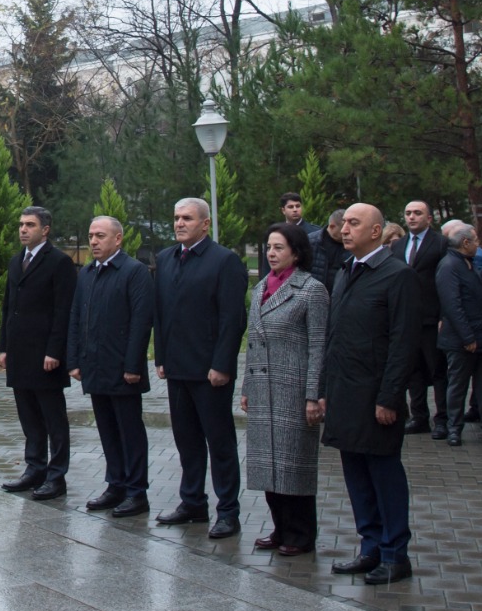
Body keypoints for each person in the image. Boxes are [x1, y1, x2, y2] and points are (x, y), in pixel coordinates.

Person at [322, 203, 420, 585]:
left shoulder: (397, 276)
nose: (344, 229)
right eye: (344, 222)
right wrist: (324, 390)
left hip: (376, 396)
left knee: (384, 475)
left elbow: (403, 343)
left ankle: (396, 554)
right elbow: (335, 336)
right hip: (346, 393)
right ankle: (371, 547)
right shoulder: (347, 271)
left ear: (376, 232)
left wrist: (390, 397)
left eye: (353, 223)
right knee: (357, 476)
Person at [154, 197, 248, 538]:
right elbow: (161, 313)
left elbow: (233, 319)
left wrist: (222, 364)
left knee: (220, 443)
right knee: (187, 441)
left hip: (210, 373)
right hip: (177, 368)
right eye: (176, 218)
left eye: (187, 218)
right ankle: (192, 501)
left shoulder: (225, 262)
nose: (179, 223)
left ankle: (228, 511)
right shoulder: (165, 259)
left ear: (205, 224)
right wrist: (161, 357)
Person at [242, 223, 329, 555]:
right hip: (264, 389)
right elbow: (252, 344)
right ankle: (280, 527)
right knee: (267, 465)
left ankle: (301, 534)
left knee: (294, 466)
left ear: (296, 251)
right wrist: (248, 387)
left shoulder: (311, 290)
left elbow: (318, 346)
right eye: (268, 247)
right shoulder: (261, 287)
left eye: (279, 247)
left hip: (294, 390)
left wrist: (313, 395)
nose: (271, 253)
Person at [69, 216, 154, 518]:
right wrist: (74, 359)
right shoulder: (87, 274)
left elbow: (141, 322)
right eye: (91, 235)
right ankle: (115, 483)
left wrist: (133, 366)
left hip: (123, 369)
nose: (93, 241)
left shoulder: (134, 272)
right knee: (106, 429)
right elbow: (77, 318)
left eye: (100, 236)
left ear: (117, 239)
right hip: (95, 366)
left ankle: (136, 491)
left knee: (129, 431)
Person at [0, 206, 78, 501]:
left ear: (45, 230)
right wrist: (3, 346)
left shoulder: (59, 262)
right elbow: (8, 307)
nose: (23, 229)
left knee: (53, 419)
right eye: (21, 224)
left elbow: (63, 310)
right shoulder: (16, 261)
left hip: (46, 355)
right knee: (29, 417)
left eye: (29, 225)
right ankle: (35, 468)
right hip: (20, 353)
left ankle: (56, 476)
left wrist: (56, 350)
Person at [435, 223, 482, 446]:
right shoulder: (449, 265)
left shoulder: (468, 264)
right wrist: (467, 337)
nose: (478, 244)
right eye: (475, 240)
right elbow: (452, 304)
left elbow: (475, 292)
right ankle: (454, 429)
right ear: (465, 243)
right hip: (462, 341)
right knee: (458, 386)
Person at [393, 201, 450, 437]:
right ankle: (419, 417)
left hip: (432, 318)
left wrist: (444, 315)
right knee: (413, 371)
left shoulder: (441, 244)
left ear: (429, 218)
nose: (412, 217)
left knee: (437, 370)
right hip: (407, 320)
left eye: (417, 213)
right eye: (408, 213)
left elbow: (446, 283)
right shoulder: (397, 246)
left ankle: (443, 419)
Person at [260, 194, 322, 281]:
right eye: (290, 207)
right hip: (278, 282)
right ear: (283, 210)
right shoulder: (274, 233)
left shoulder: (315, 232)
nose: (295, 210)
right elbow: (267, 265)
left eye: (298, 206)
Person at [309, 210, 348, 294]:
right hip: (313, 295)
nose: (346, 233)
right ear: (332, 226)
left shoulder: (352, 245)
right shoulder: (310, 242)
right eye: (343, 230)